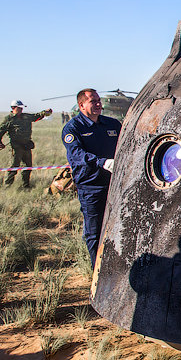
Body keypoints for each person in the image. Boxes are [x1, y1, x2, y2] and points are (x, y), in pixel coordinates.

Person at [62, 89, 122, 267]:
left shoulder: (112, 124)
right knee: (94, 231)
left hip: (115, 183)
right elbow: (77, 155)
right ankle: (98, 271)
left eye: (98, 101)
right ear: (81, 105)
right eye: (92, 101)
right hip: (91, 187)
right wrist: (102, 162)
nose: (98, 104)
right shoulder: (73, 128)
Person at [0, 100, 52, 189]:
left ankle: (26, 186)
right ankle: (7, 187)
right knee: (13, 167)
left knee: (28, 167)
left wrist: (45, 112)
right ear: (13, 108)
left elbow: (36, 116)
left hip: (26, 146)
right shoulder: (9, 119)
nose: (21, 110)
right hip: (16, 147)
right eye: (19, 108)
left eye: (21, 108)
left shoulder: (26, 117)